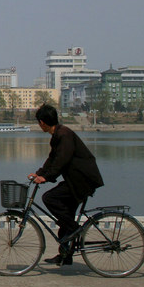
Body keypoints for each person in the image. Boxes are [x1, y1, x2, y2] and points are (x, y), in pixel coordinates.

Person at [28, 104, 104, 266]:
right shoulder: (58, 135)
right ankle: (65, 255)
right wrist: (40, 173)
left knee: (49, 198)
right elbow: (52, 159)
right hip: (75, 180)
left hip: (83, 180)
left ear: (42, 122)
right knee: (65, 216)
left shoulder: (64, 135)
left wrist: (46, 178)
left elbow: (61, 161)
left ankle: (75, 228)